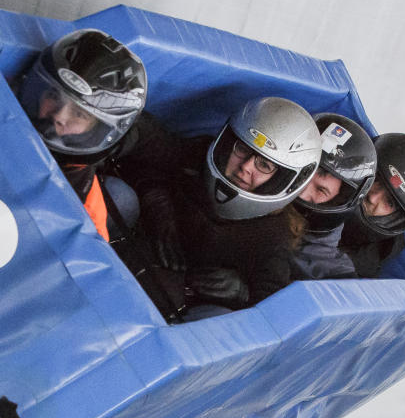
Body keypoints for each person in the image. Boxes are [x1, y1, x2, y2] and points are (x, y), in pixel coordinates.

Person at [117, 96, 323, 316]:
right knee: (119, 196)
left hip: (170, 301)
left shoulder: (273, 237)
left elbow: (272, 308)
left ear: (283, 180)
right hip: (128, 247)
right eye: (242, 149)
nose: (245, 167)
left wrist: (243, 293)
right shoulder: (200, 156)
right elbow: (156, 143)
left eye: (264, 165)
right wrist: (153, 195)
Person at [16, 29, 147, 239]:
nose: (59, 116)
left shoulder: (87, 206)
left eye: (78, 113)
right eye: (53, 96)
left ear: (97, 128)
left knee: (122, 199)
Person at [339, 132, 405, 277]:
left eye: (389, 202)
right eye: (376, 180)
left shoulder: (356, 266)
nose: (373, 197)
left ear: (395, 219)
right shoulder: (319, 183)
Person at [288, 113, 377, 280]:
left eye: (321, 190)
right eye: (303, 175)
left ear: (338, 201)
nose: (302, 192)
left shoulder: (336, 276)